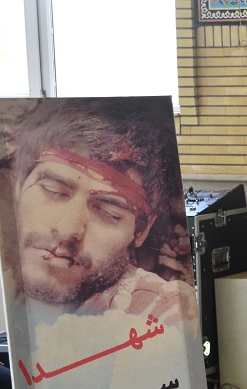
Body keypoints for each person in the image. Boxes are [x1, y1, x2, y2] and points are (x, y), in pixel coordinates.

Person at [9, 98, 195, 328]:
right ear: (19, 186)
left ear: (141, 231)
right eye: (52, 191)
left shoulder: (166, 315)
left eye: (108, 212)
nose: (67, 231)